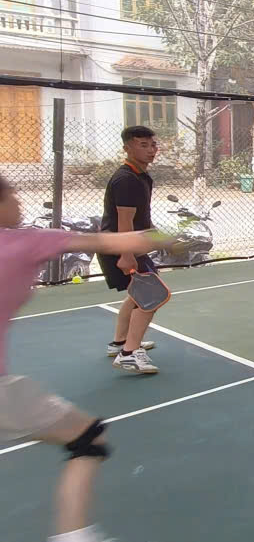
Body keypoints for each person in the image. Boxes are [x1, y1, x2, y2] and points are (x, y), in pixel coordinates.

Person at [0, 175, 174, 542]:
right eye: (12, 195)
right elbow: (119, 241)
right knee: (88, 439)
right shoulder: (29, 240)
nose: (19, 201)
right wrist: (169, 235)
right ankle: (74, 535)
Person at [99, 126, 161, 374]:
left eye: (152, 145)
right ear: (127, 148)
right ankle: (128, 354)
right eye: (142, 145)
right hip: (121, 248)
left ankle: (120, 343)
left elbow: (141, 216)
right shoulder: (126, 180)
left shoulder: (141, 176)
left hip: (130, 245)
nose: (150, 150)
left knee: (138, 295)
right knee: (152, 295)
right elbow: (124, 220)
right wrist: (126, 255)